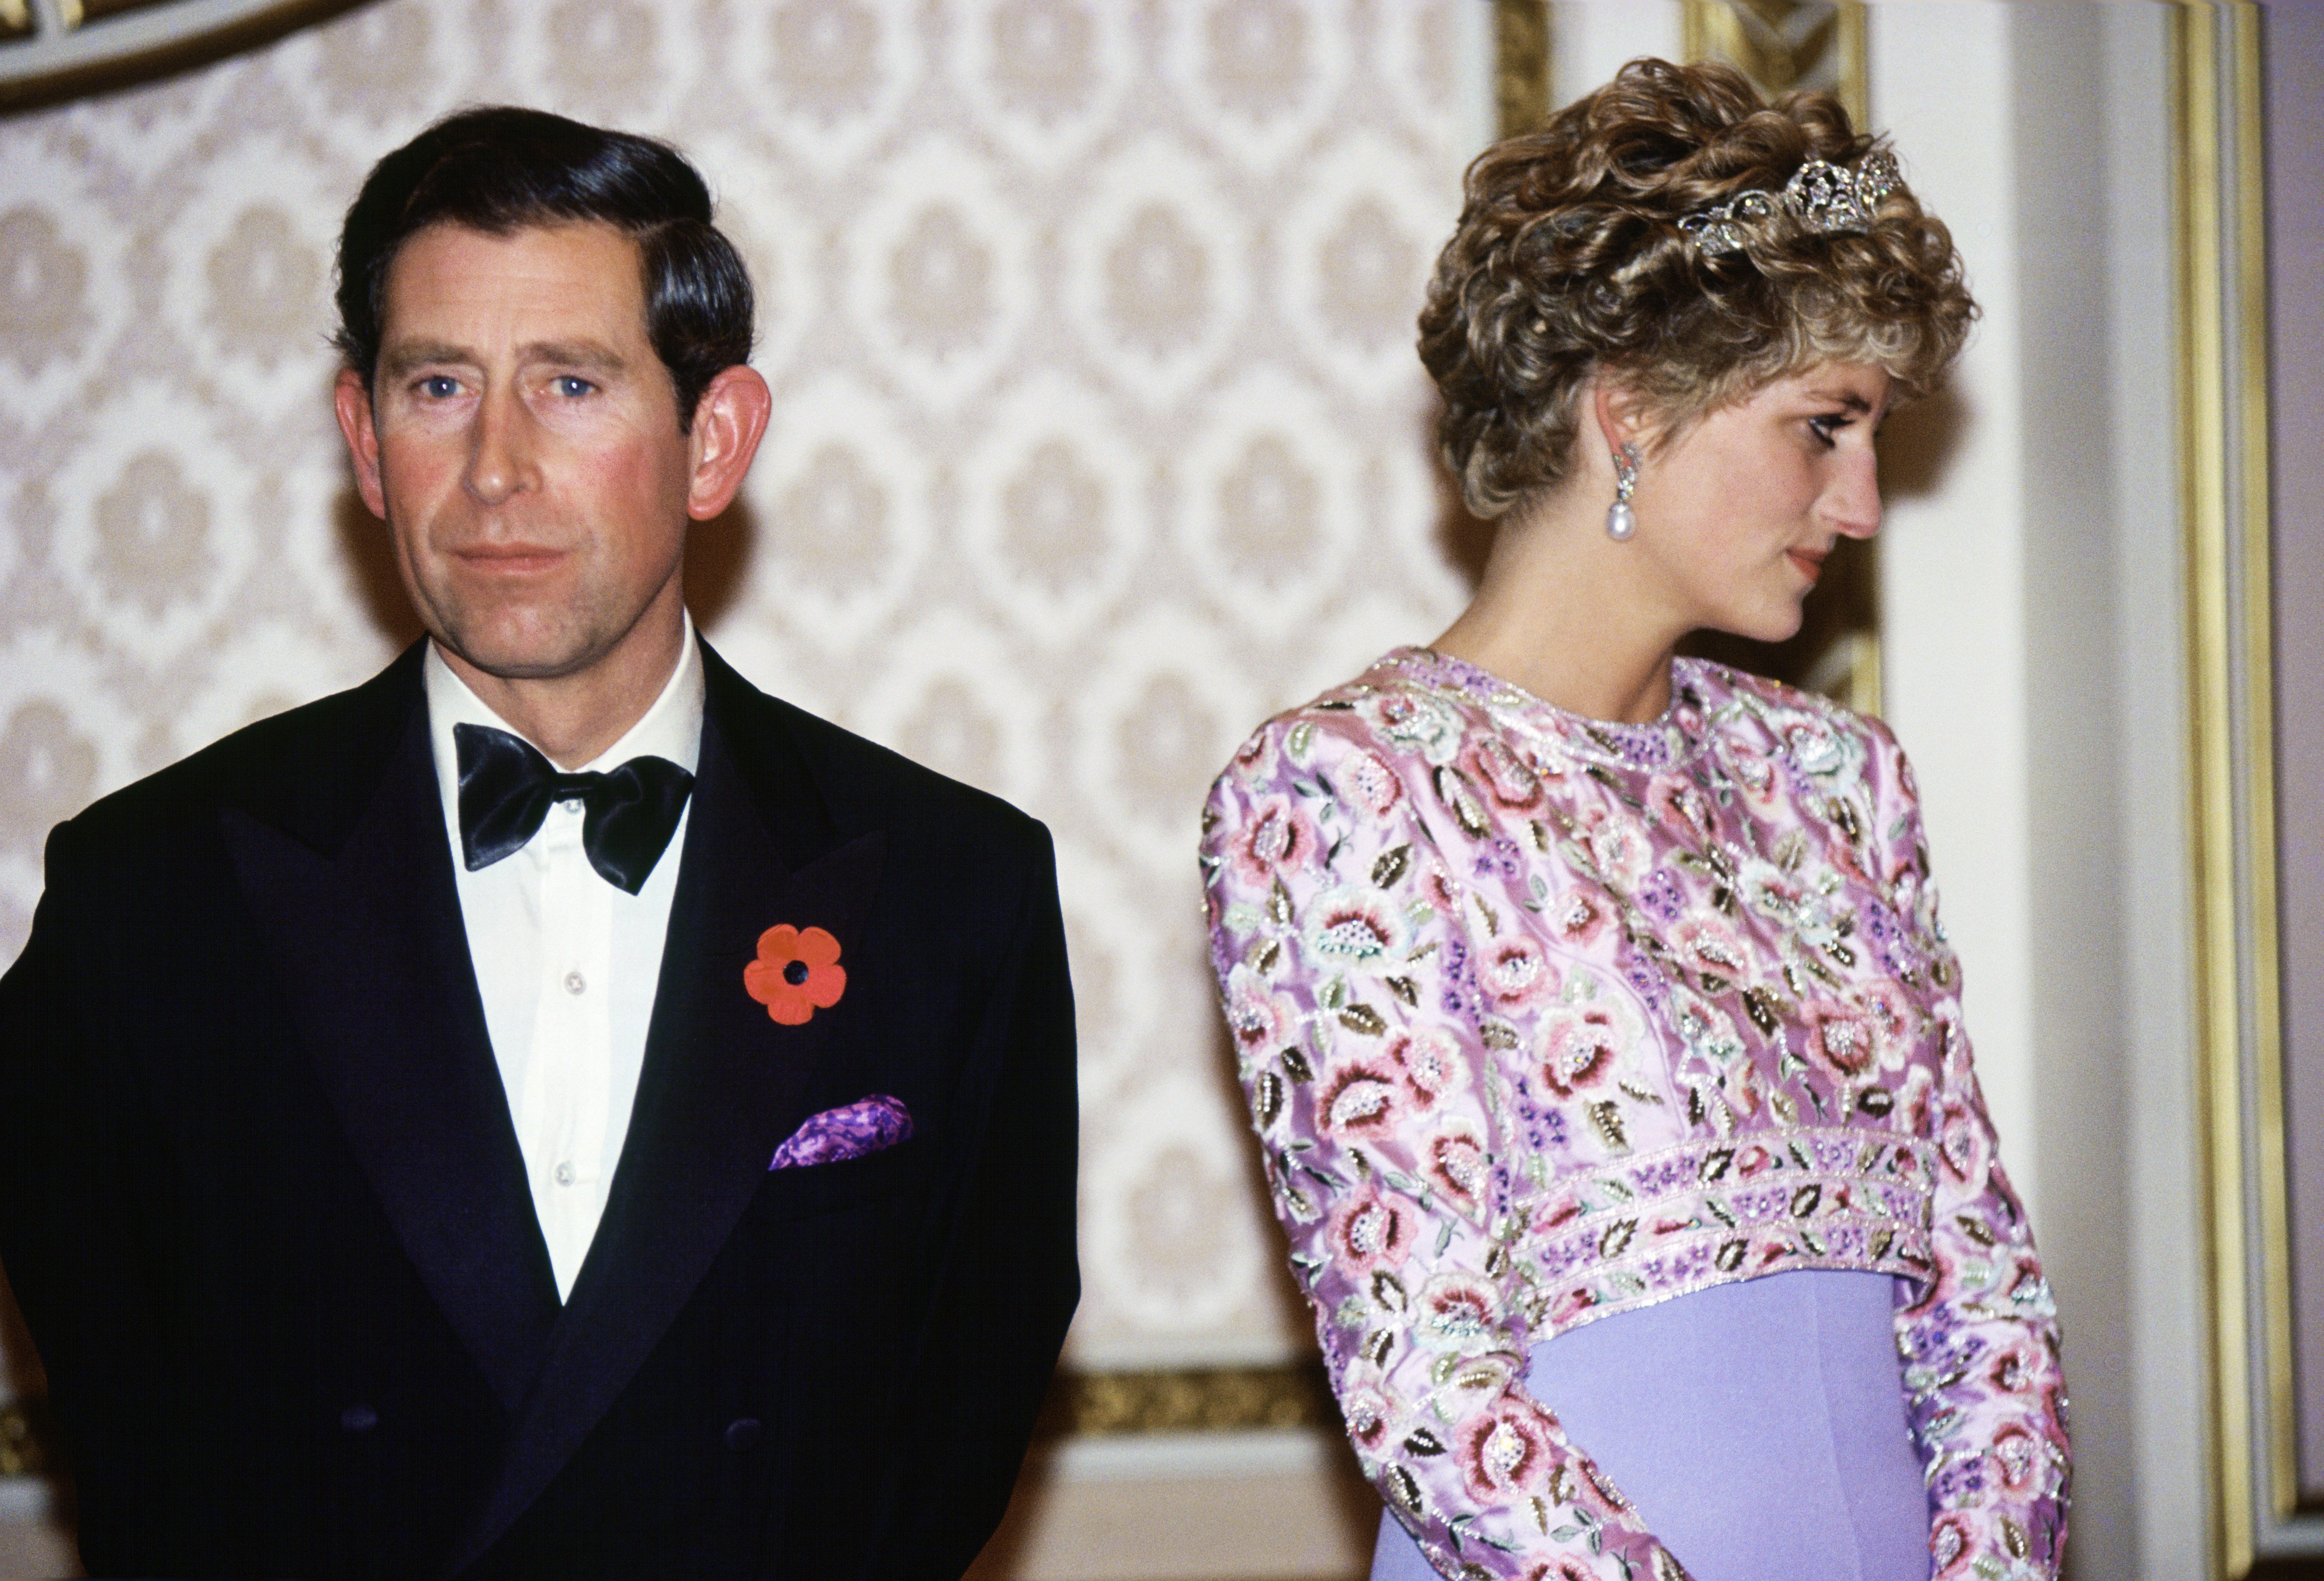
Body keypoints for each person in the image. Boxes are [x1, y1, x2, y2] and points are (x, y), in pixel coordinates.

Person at [0, 106, 1077, 1581]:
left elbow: (962, 1400)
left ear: (715, 441)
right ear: (364, 442)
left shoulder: (957, 895)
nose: (496, 467)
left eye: (571, 385)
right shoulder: (147, 897)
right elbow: (133, 1429)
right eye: (438, 385)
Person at [1199, 59, 2067, 1581]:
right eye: (1823, 427)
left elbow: (1984, 1298)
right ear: (1629, 417)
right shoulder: (1346, 790)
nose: (1860, 503)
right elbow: (1426, 1381)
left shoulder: (1839, 784)